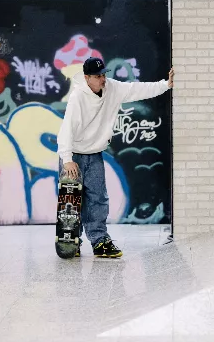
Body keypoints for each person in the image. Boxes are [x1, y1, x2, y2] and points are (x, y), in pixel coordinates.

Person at [57, 56, 174, 257]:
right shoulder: (78, 97)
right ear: (86, 78)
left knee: (98, 199)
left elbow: (136, 89)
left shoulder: (112, 88)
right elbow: (67, 128)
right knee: (73, 201)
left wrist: (165, 85)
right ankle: (72, 241)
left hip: (94, 154)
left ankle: (100, 241)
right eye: (97, 76)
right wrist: (67, 158)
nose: (102, 79)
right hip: (74, 156)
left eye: (103, 74)